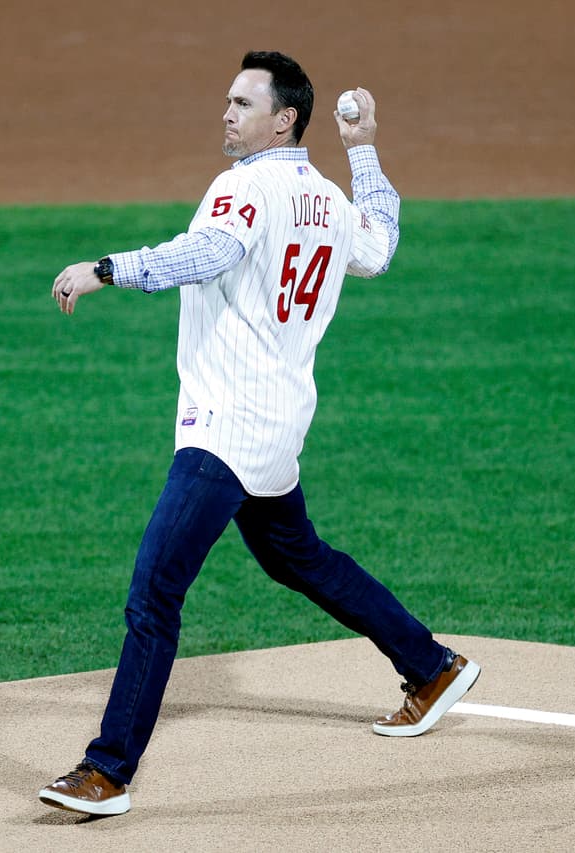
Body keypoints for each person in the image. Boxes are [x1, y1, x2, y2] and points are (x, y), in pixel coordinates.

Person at [39, 50, 480, 817]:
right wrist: (365, 143)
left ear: (285, 119)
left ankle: (107, 770)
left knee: (154, 591)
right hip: (278, 422)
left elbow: (208, 252)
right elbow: (379, 246)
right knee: (298, 557)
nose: (227, 113)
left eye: (244, 104)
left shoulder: (242, 186)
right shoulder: (328, 197)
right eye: (228, 101)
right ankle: (430, 664)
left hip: (226, 428)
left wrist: (106, 268)